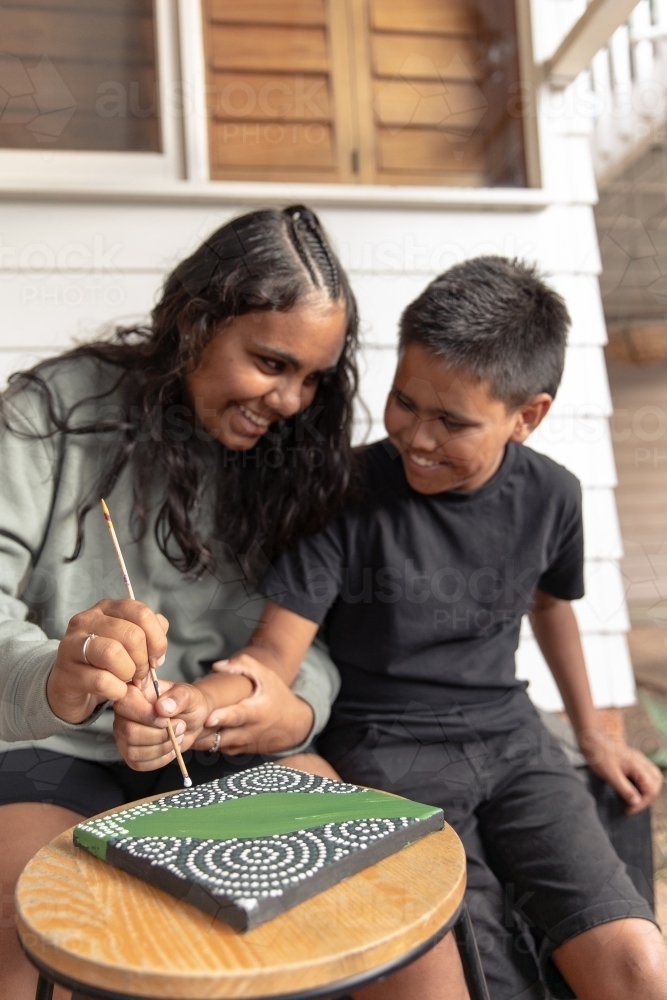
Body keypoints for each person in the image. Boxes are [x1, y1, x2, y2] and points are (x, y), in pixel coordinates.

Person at [149, 257, 667, 999]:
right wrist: (208, 700)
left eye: (450, 421)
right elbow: (274, 652)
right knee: (482, 972)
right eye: (402, 402)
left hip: (511, 740)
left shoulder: (553, 496)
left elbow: (550, 606)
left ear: (528, 416)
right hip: (386, 753)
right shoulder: (345, 493)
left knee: (635, 962)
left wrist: (594, 734)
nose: (415, 438)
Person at [0, 206, 363, 1000]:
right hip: (49, 750)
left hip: (221, 745)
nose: (293, 400)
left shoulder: (289, 460)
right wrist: (62, 680)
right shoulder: (48, 415)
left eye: (312, 378)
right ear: (197, 322)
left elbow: (307, 649)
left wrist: (285, 709)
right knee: (38, 925)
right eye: (271, 362)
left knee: (358, 906)